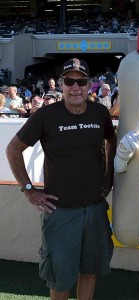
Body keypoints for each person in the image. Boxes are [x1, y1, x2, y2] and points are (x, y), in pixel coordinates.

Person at [6, 58, 116, 300]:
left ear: (89, 85)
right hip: (61, 212)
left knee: (90, 271)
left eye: (81, 81)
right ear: (62, 86)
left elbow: (111, 140)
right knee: (60, 278)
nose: (75, 87)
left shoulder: (100, 113)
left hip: (95, 209)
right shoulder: (46, 116)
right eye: (69, 81)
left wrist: (109, 178)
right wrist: (29, 190)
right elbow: (13, 149)